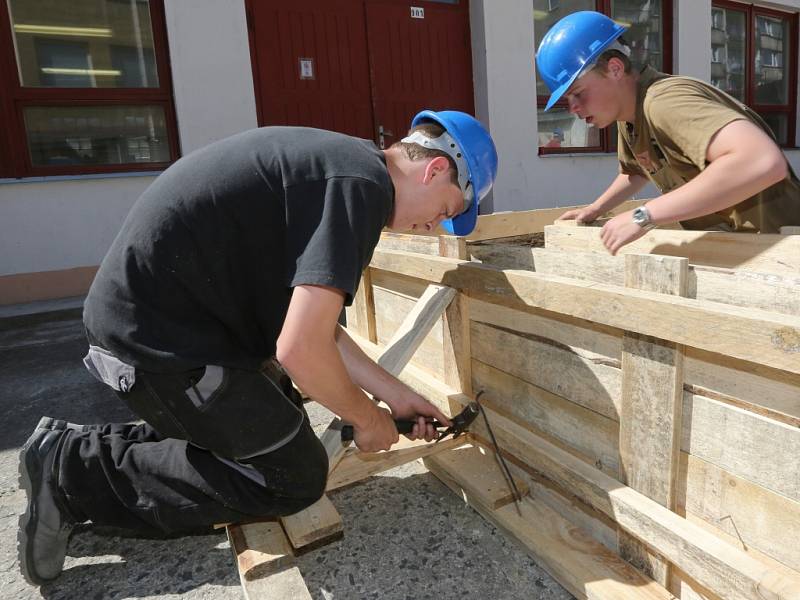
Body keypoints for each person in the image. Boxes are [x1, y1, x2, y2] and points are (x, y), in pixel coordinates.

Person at [17, 110, 498, 586]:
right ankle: (70, 478)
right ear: (435, 170)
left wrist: (394, 396)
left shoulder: (346, 168)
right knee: (292, 473)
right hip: (154, 344)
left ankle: (72, 450)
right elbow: (301, 351)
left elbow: (318, 330)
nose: (435, 226)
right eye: (447, 210)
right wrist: (367, 419)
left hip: (170, 326)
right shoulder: (361, 188)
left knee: (276, 417)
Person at [536, 11, 800, 254]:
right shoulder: (629, 115)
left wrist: (643, 215)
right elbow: (637, 170)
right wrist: (595, 209)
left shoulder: (664, 101)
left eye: (578, 93)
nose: (573, 108)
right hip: (738, 248)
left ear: (615, 69)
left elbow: (761, 161)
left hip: (780, 251)